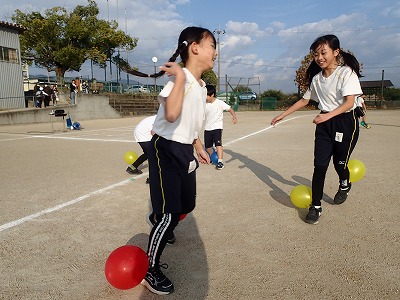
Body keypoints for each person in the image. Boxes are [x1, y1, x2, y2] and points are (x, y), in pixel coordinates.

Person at [123, 26, 216, 295]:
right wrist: (177, 79)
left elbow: (191, 121)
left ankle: (161, 219)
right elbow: (173, 115)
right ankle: (149, 270)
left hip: (184, 150)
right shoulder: (181, 78)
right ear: (195, 48)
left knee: (187, 205)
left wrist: (197, 145)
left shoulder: (198, 85)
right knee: (169, 212)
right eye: (211, 45)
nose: (215, 52)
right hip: (167, 151)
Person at [271, 34, 362, 224]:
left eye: (323, 52)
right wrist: (283, 114)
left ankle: (345, 184)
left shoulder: (347, 73)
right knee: (319, 166)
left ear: (336, 52)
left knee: (339, 164)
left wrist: (327, 116)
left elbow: (349, 103)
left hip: (345, 122)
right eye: (316, 54)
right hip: (324, 124)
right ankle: (316, 206)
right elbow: (305, 100)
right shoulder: (317, 79)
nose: (319, 57)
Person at [204, 84, 237, 170]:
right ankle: (212, 156)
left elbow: (230, 109)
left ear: (212, 95)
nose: (205, 97)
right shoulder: (204, 104)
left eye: (206, 95)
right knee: (208, 146)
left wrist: (234, 116)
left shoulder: (219, 103)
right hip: (207, 128)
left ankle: (220, 161)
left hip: (217, 127)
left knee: (218, 144)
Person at [126, 115, 156, 184]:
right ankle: (152, 178)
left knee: (147, 154)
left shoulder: (160, 116)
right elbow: (153, 132)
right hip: (144, 134)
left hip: (140, 132)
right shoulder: (162, 118)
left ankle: (132, 168)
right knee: (155, 156)